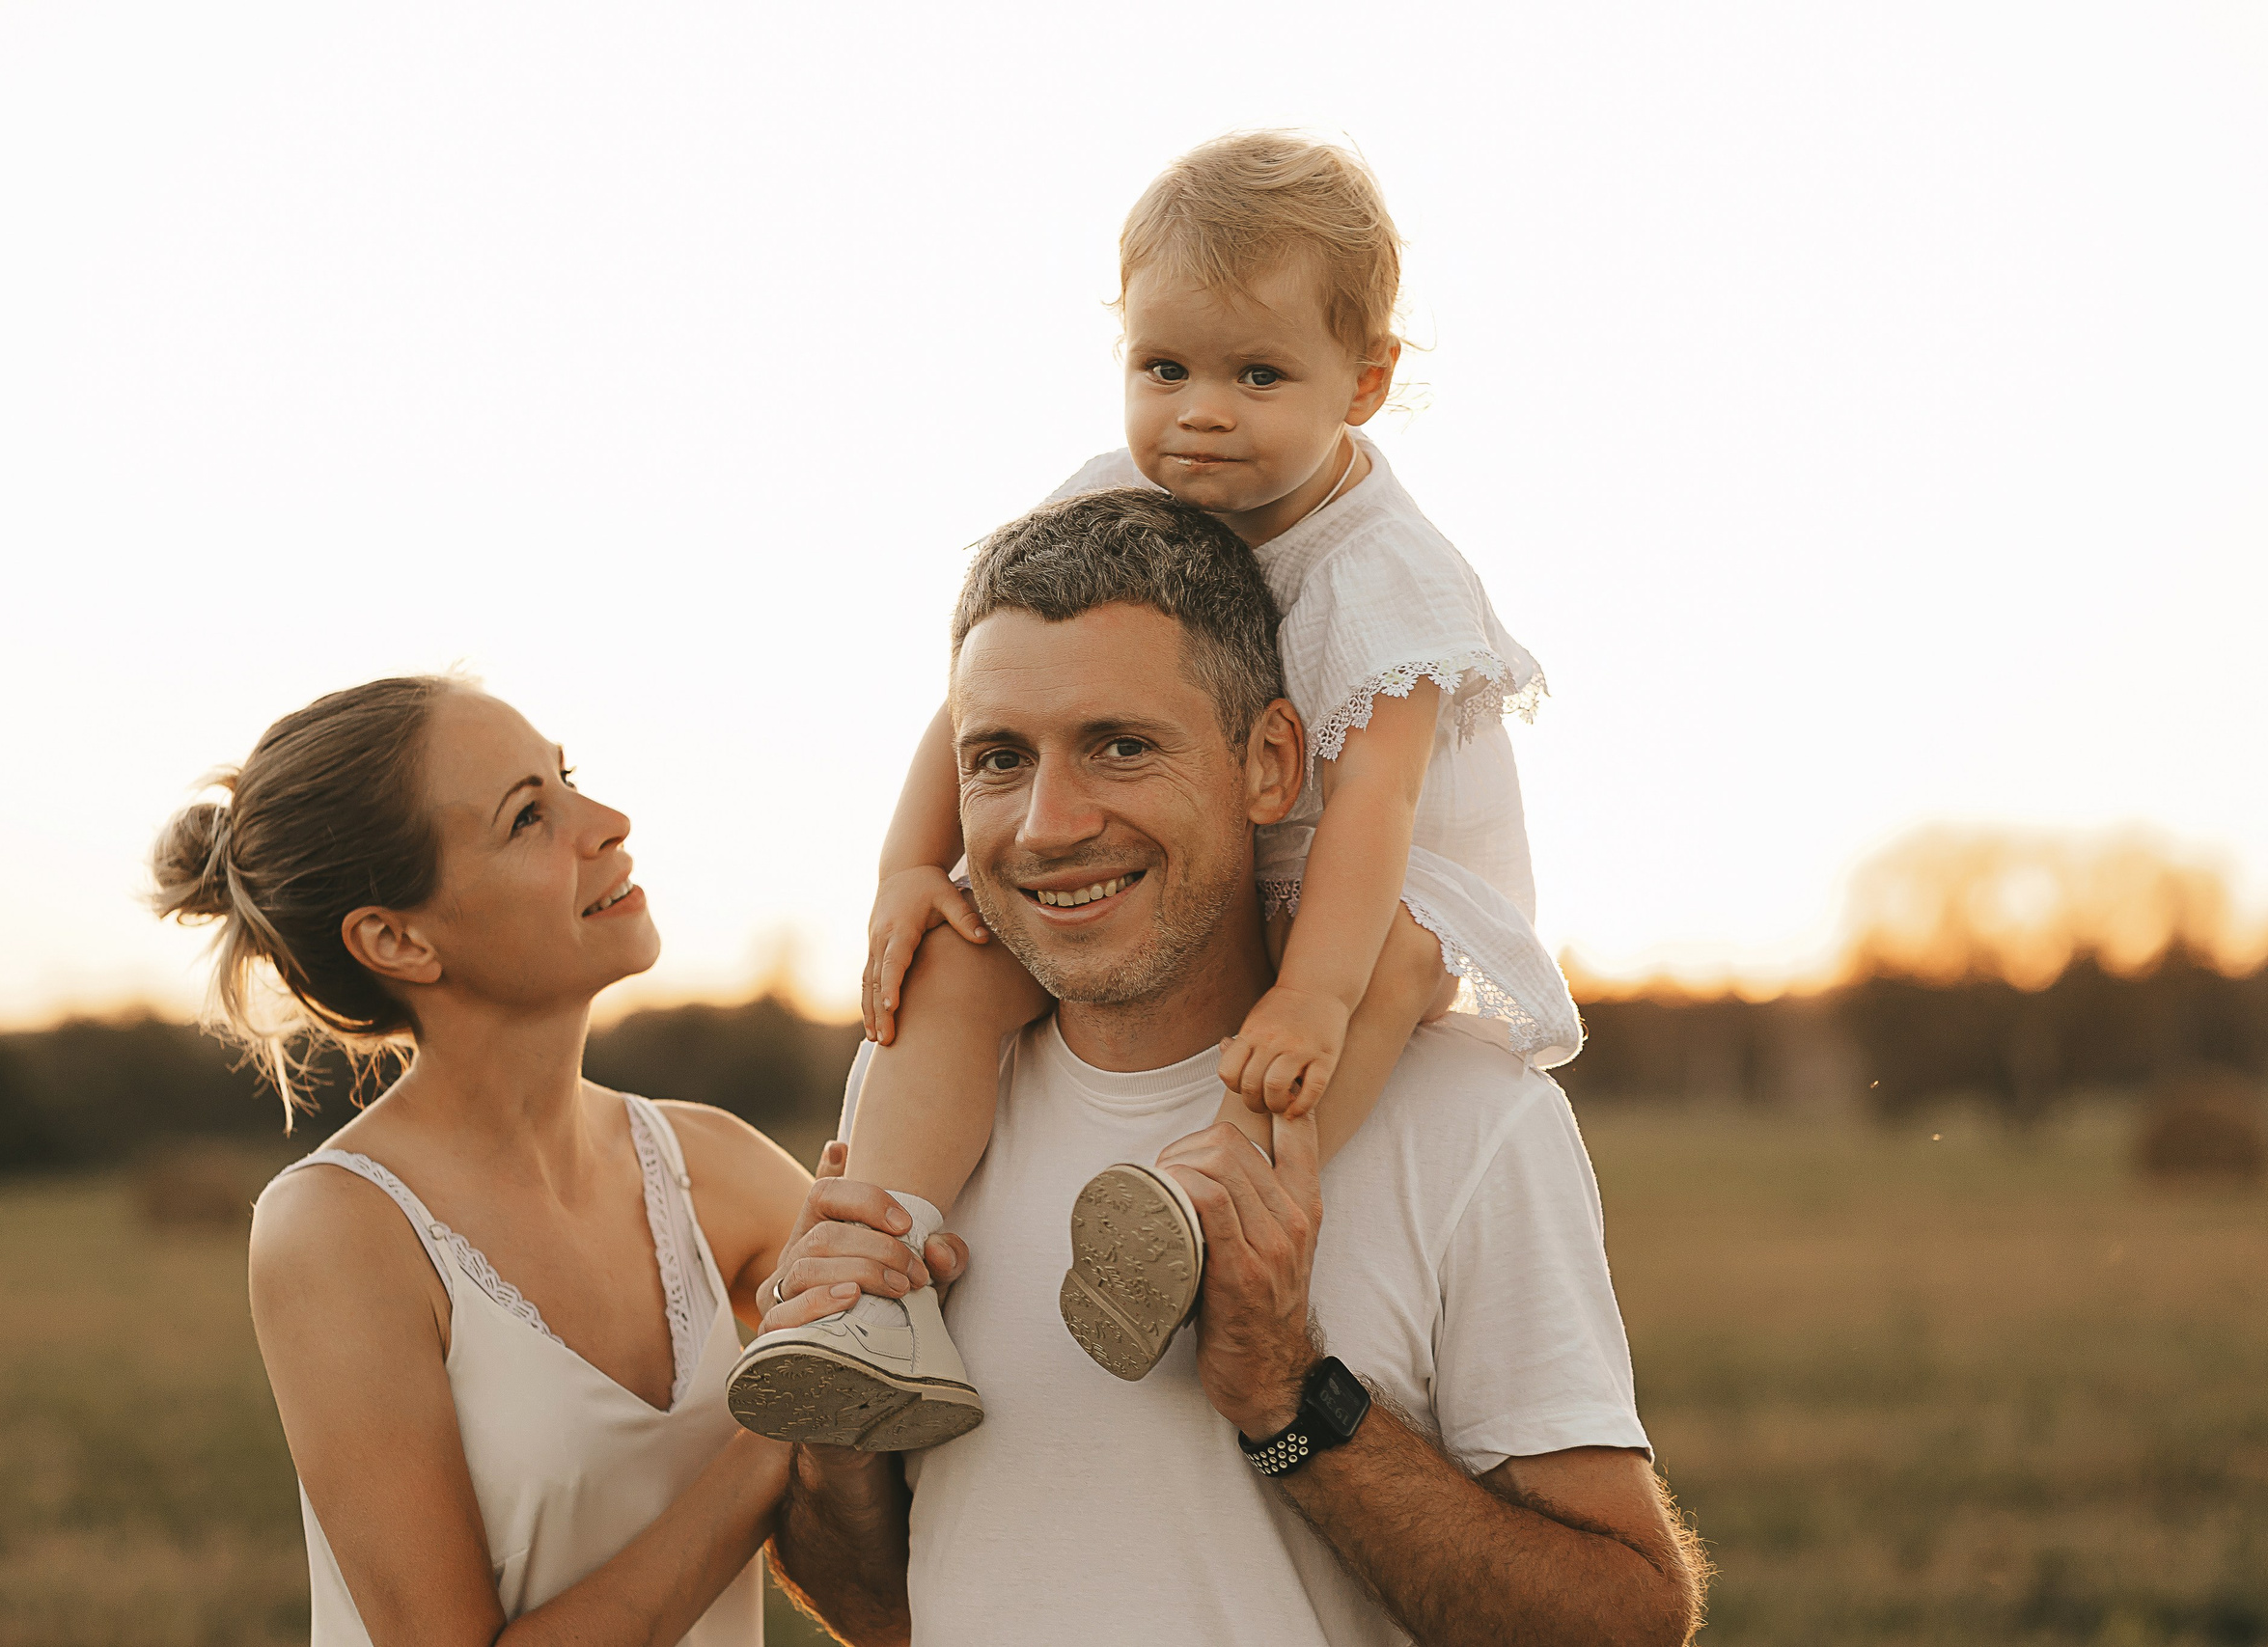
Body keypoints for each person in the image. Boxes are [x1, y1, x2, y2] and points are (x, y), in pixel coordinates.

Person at [729, 129, 1587, 1440]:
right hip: (1190, 849)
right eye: (1163, 366)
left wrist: (1309, 989)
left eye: (1258, 374)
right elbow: (983, 689)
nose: (1200, 410)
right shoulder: (1116, 493)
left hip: (1377, 880)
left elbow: (1377, 809)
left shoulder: (1389, 571)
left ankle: (1208, 1203)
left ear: (1362, 384)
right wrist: (910, 866)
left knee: (1390, 975)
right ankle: (876, 1270)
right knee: (960, 960)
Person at [759, 493, 1704, 1645]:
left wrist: (1290, 1397)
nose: (1047, 825)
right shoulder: (919, 1097)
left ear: (1268, 763)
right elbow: (877, 1607)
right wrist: (835, 1435)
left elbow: (1627, 1624)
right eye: (998, 760)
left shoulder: (1467, 1118)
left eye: (1120, 747)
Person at [149, 675, 963, 1646]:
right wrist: (780, 1430)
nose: (609, 821)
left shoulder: (715, 1166)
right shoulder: (340, 1227)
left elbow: (892, 1506)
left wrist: (891, 1304)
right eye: (529, 815)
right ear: (396, 938)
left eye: (565, 777)